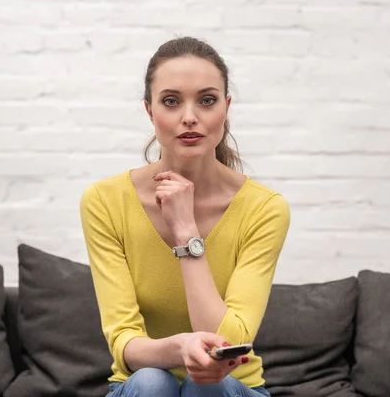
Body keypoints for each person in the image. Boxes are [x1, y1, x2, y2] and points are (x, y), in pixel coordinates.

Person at [79, 36, 291, 397]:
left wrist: (185, 233)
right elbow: (123, 341)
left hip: (232, 388)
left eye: (206, 100)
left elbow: (227, 347)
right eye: (171, 101)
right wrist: (177, 349)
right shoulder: (104, 201)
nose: (189, 117)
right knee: (151, 380)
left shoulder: (265, 209)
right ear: (150, 111)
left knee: (204, 385)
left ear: (226, 107)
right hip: (139, 386)